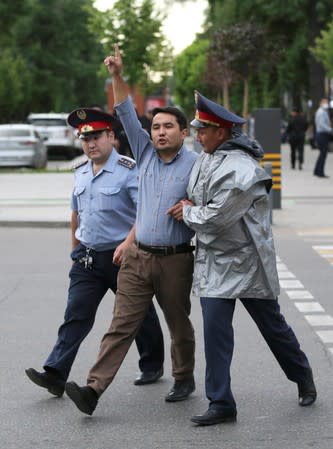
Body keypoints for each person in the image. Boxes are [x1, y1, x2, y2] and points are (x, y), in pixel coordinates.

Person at [168, 92, 317, 426]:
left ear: (221, 132)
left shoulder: (242, 169)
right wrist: (190, 205)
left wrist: (189, 212)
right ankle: (221, 403)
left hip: (247, 263)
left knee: (273, 328)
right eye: (196, 128)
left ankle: (302, 376)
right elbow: (196, 197)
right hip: (215, 264)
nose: (197, 135)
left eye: (202, 129)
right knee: (216, 335)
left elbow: (217, 217)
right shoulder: (207, 157)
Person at [64, 44, 198, 416]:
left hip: (175, 259)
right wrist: (117, 76)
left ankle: (183, 376)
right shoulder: (143, 153)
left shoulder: (196, 166)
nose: (159, 132)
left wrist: (193, 207)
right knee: (121, 324)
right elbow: (124, 110)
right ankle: (93, 389)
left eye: (168, 126)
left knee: (177, 324)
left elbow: (213, 204)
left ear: (183, 132)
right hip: (138, 257)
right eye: (155, 127)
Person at [25, 107, 165, 397]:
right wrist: (75, 249)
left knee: (136, 315)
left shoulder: (129, 170)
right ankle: (55, 373)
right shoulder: (81, 172)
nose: (90, 143)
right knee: (76, 314)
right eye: (84, 138)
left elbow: (146, 213)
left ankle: (152, 364)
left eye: (96, 137)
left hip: (123, 256)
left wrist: (128, 244)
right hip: (87, 259)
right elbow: (76, 213)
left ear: (110, 136)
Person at [313, 98, 332, 178]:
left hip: (321, 134)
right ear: (320, 103)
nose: (326, 104)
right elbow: (322, 125)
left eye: (327, 102)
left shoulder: (322, 111)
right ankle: (320, 172)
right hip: (322, 135)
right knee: (323, 154)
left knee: (322, 153)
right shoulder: (321, 112)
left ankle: (317, 170)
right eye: (325, 102)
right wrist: (331, 130)